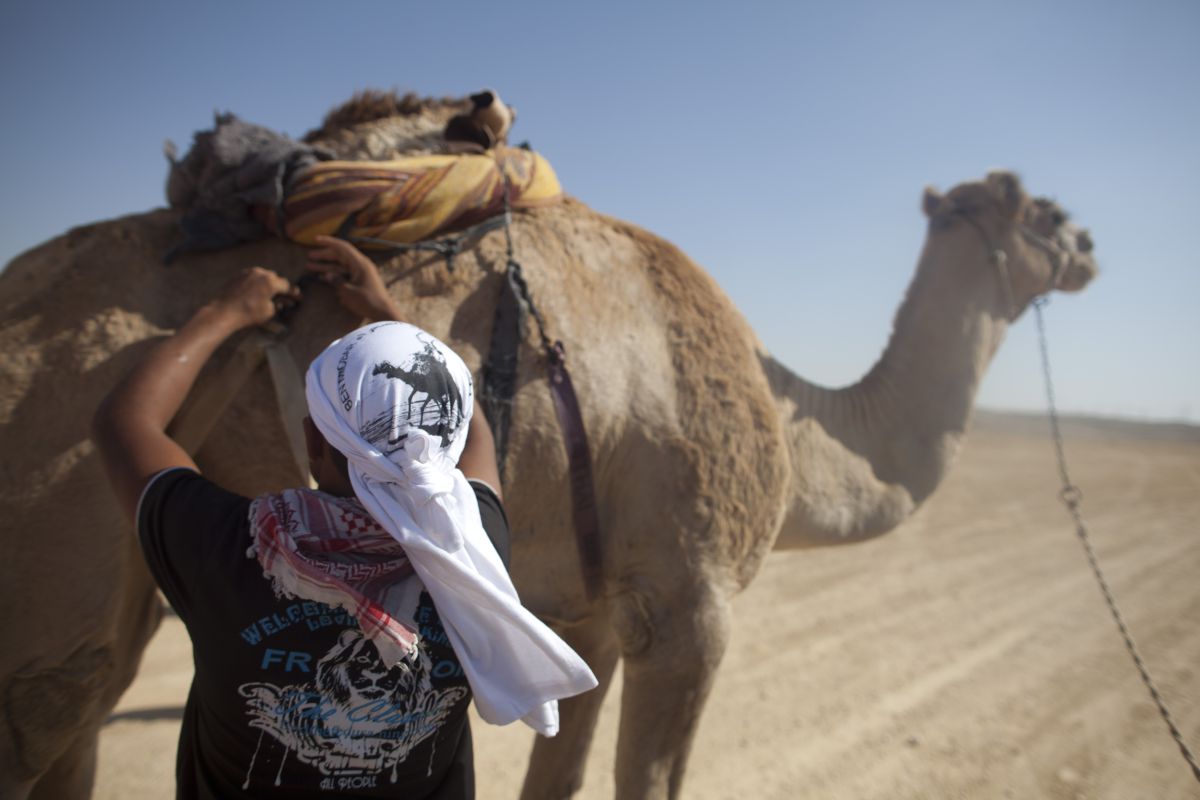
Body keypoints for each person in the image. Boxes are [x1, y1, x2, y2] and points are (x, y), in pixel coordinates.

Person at [92, 236, 596, 799]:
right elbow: (472, 431)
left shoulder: (230, 546)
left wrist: (224, 312)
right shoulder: (473, 549)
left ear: (312, 441)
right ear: (445, 454)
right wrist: (388, 314)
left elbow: (125, 423)